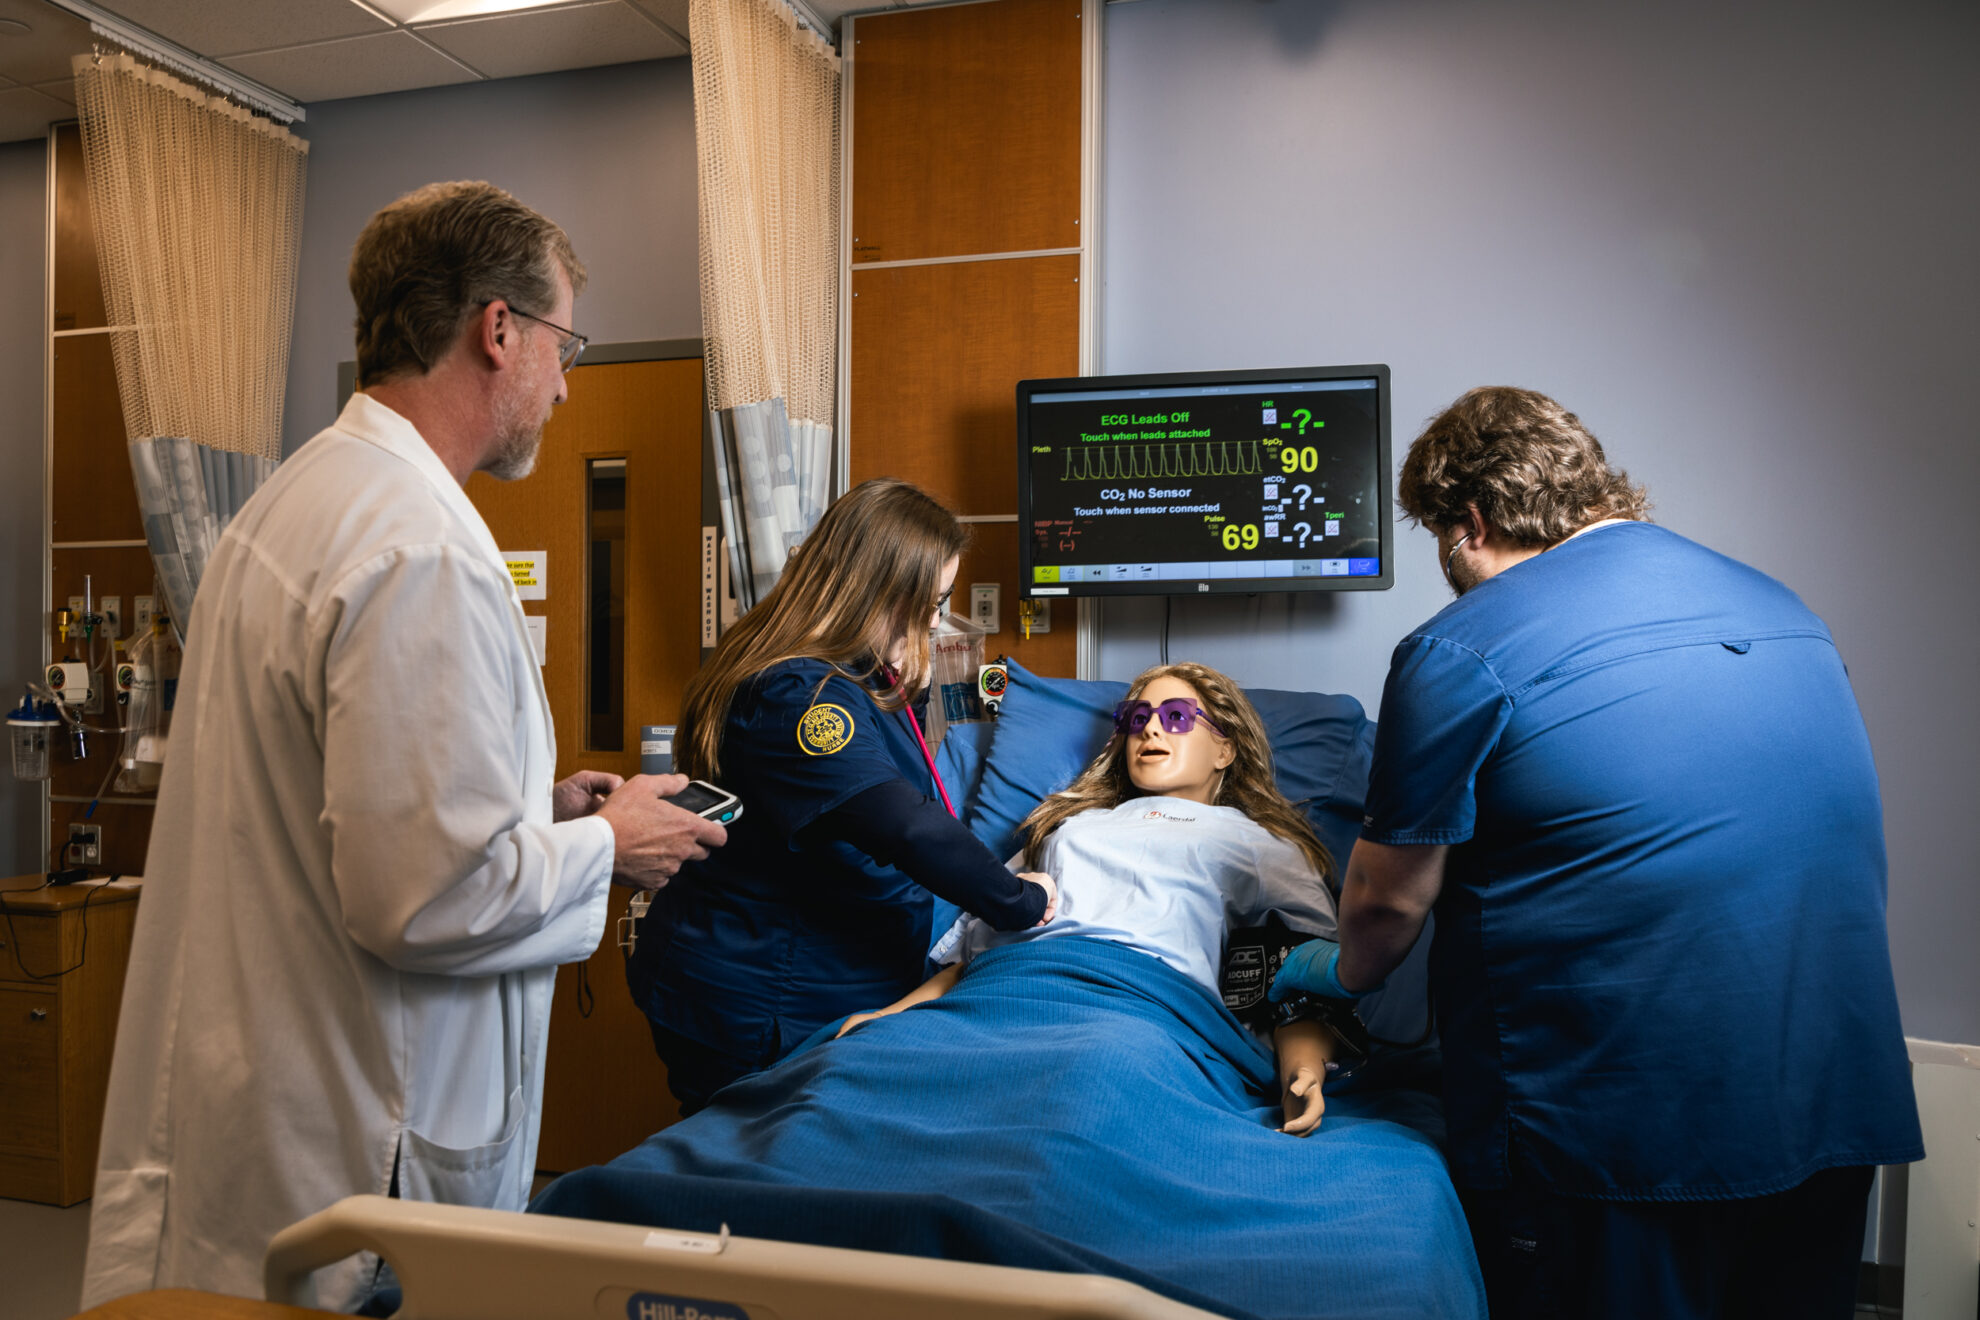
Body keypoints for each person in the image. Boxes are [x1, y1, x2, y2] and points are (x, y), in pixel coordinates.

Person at [81, 181, 728, 1312]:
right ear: (498, 330)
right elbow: (426, 899)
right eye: (564, 343)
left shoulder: (294, 504)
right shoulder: (420, 549)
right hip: (363, 1158)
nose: (567, 382)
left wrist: (544, 811)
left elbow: (341, 808)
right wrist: (612, 845)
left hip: (270, 1108)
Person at [1274, 386, 1922, 1317]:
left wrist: (1331, 974)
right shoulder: (1782, 606)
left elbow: (1385, 904)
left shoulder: (1461, 646)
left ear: (1468, 525)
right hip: (1828, 1104)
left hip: (1618, 1134)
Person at [626, 478, 1059, 1115]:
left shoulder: (848, 674)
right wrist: (1018, 900)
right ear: (877, 591)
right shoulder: (799, 694)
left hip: (803, 975)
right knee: (748, 1169)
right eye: (931, 601)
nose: (936, 622)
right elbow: (902, 825)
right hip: (763, 992)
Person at [844, 662, 1351, 1134]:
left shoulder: (1257, 842)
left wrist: (1302, 1071)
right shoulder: (1067, 827)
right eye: (1137, 719)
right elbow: (979, 945)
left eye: (1176, 718)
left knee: (1092, 1075)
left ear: (1225, 750)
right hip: (1008, 987)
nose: (1151, 730)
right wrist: (895, 1016)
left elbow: (1305, 974)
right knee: (858, 1073)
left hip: (1136, 1005)